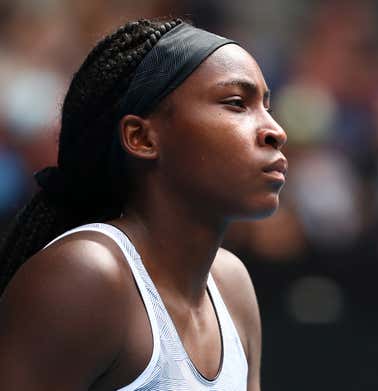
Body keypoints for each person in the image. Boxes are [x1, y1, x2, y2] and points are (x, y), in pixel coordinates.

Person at [0, 17, 287, 390]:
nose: (275, 131)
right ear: (141, 137)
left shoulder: (232, 285)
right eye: (236, 103)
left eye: (266, 106)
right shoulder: (87, 277)